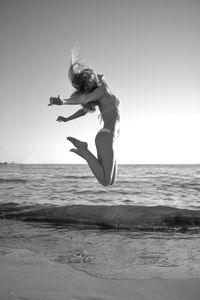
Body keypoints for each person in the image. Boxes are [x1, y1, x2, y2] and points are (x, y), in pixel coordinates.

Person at [48, 59, 120, 186]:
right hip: (105, 136)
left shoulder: (104, 90)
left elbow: (83, 111)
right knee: (105, 181)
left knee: (111, 181)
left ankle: (83, 153)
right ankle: (83, 150)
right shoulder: (102, 91)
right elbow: (84, 98)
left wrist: (66, 119)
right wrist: (63, 101)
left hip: (111, 138)